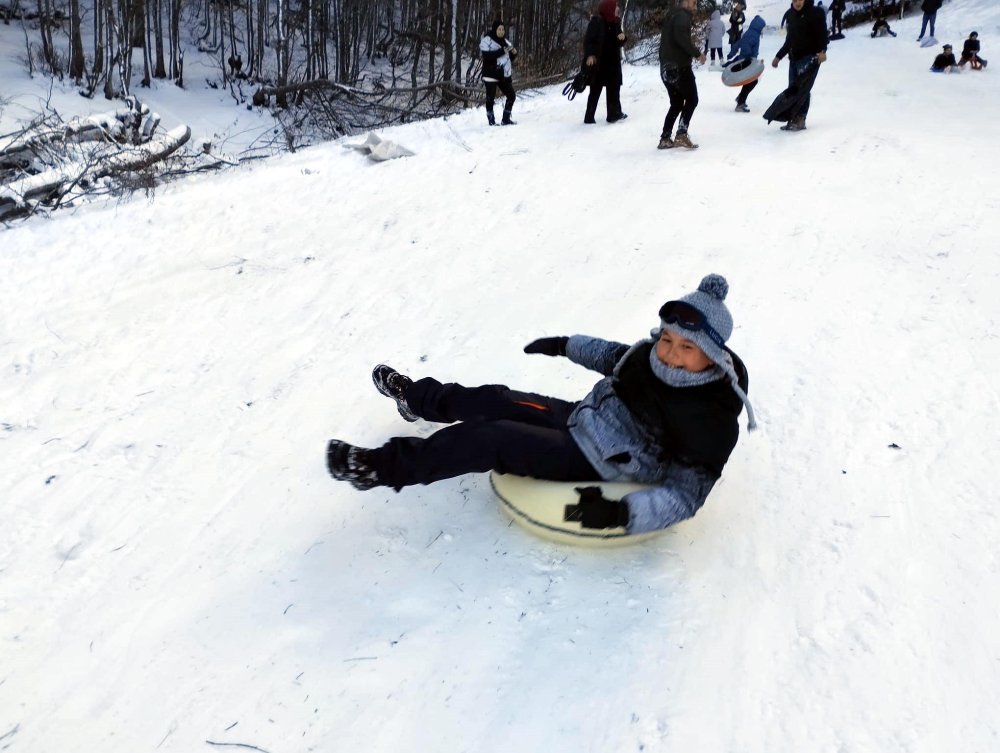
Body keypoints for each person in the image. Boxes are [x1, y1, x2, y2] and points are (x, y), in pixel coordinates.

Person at [326, 274, 756, 536]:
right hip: (581, 418)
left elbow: (684, 497)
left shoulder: (712, 418)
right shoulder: (648, 356)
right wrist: (566, 345)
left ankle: (379, 468)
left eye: (686, 347)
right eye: (666, 339)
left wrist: (617, 513)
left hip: (603, 461)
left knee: (488, 438)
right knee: (493, 399)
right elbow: (613, 356)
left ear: (712, 356)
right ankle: (415, 398)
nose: (669, 353)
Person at [772, 0, 829, 131]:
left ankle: (800, 119)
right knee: (793, 89)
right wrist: (778, 56)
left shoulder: (816, 13)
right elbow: (789, 40)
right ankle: (793, 117)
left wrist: (823, 51)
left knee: (803, 88)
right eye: (794, 0)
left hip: (810, 57)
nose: (797, 2)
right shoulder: (791, 14)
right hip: (794, 58)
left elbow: (823, 34)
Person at [658, 0, 706, 149]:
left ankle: (665, 138)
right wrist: (697, 53)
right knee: (692, 99)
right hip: (679, 67)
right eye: (693, 3)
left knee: (677, 103)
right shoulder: (682, 16)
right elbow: (681, 39)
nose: (695, 6)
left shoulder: (672, 15)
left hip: (666, 68)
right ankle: (681, 134)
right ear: (684, 2)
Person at [583, 0, 628, 124]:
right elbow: (589, 40)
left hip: (612, 63)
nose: (618, 9)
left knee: (614, 89)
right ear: (608, 9)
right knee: (595, 90)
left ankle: (614, 114)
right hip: (599, 63)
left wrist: (623, 38)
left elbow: (620, 40)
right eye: (615, 7)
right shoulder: (597, 22)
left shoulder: (615, 22)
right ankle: (589, 117)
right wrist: (590, 54)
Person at [479, 20, 518, 126]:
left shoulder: (505, 42)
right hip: (490, 73)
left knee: (511, 95)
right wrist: (502, 51)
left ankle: (505, 119)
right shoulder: (487, 41)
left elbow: (509, 58)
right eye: (499, 29)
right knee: (490, 97)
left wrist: (514, 53)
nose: (501, 31)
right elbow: (487, 56)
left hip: (502, 74)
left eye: (503, 29)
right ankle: (491, 121)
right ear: (494, 29)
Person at [727, 15, 766, 112]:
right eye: (762, 27)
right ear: (759, 26)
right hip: (747, 61)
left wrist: (732, 53)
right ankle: (740, 102)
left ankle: (740, 98)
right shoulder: (753, 35)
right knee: (752, 81)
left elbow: (738, 43)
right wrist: (750, 57)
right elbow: (745, 45)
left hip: (748, 60)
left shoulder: (751, 32)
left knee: (751, 81)